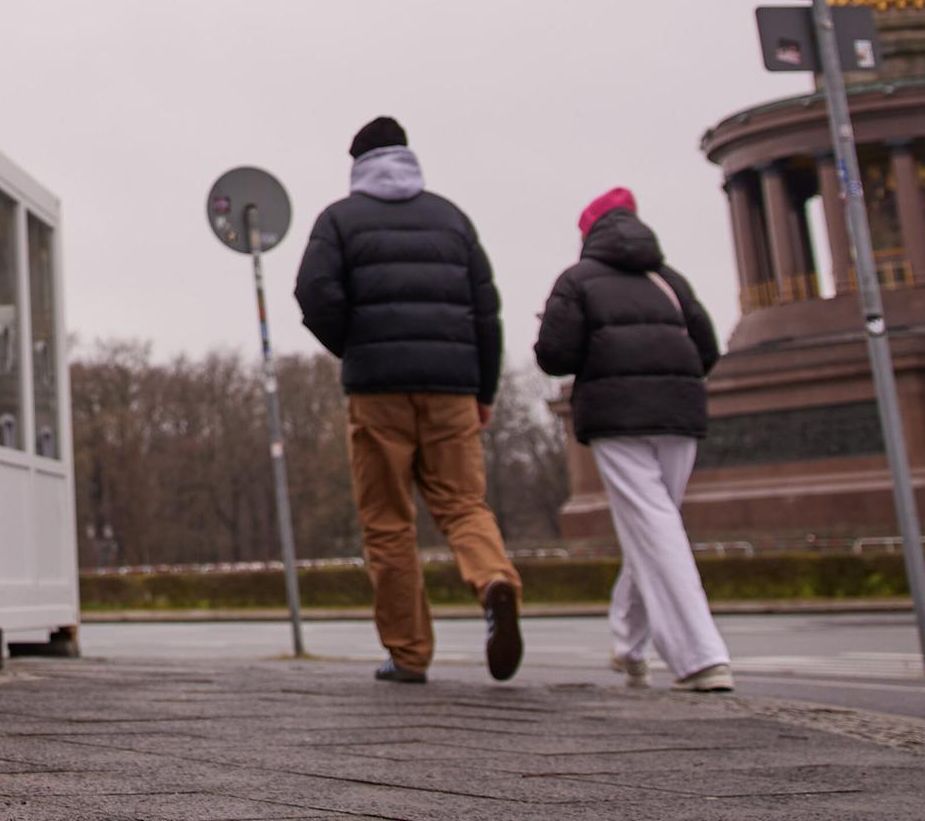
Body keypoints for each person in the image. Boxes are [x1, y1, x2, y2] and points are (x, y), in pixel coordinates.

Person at [294, 117, 522, 686]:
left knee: (388, 522)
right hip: (453, 391)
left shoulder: (339, 221)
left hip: (378, 393)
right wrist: (484, 391)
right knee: (464, 504)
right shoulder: (452, 220)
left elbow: (313, 293)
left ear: (358, 165)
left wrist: (356, 346)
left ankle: (409, 652)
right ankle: (494, 579)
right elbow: (486, 311)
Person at [534, 186, 733, 693]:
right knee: (655, 524)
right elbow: (706, 350)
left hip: (617, 421)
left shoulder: (576, 281)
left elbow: (554, 356)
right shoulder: (671, 282)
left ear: (589, 234)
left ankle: (701, 658)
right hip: (679, 416)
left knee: (654, 525)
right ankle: (629, 645)